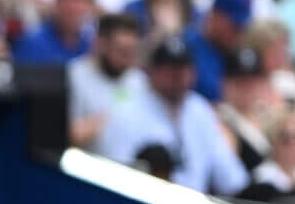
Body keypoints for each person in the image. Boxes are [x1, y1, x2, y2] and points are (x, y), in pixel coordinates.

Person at [101, 36, 252, 195]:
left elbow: (230, 177)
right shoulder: (127, 112)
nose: (177, 76)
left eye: (183, 68)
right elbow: (117, 178)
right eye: (170, 68)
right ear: (153, 70)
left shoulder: (200, 110)